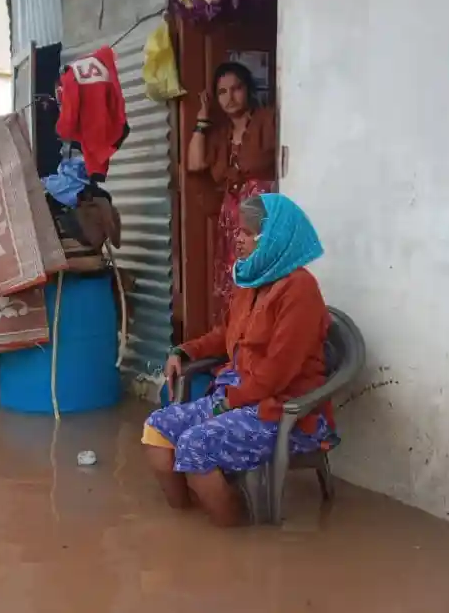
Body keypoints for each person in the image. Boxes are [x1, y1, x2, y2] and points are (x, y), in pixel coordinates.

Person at [141, 194, 338, 527]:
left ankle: (236, 534)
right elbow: (226, 334)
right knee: (157, 429)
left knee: (196, 445)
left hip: (283, 409)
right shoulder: (253, 279)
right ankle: (187, 524)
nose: (238, 238)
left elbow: (277, 373)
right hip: (239, 395)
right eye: (240, 231)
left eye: (248, 233)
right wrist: (184, 351)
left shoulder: (300, 290)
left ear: (273, 237)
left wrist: (227, 403)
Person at [186, 61, 278, 325]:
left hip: (261, 217)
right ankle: (233, 341)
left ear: (248, 90)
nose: (230, 97)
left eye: (236, 88)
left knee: (261, 279)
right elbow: (195, 164)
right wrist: (202, 119)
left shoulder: (268, 120)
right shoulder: (221, 135)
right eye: (222, 92)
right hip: (231, 219)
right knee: (233, 283)